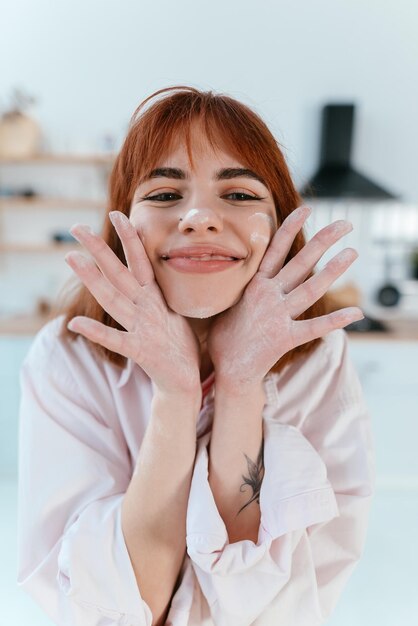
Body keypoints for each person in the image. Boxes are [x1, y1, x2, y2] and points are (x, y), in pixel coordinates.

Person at [16, 85, 375, 626]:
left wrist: (240, 384)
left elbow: (275, 607)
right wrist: (176, 392)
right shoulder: (68, 355)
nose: (200, 217)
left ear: (280, 226)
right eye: (163, 195)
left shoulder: (318, 357)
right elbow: (111, 609)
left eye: (239, 195)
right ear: (122, 223)